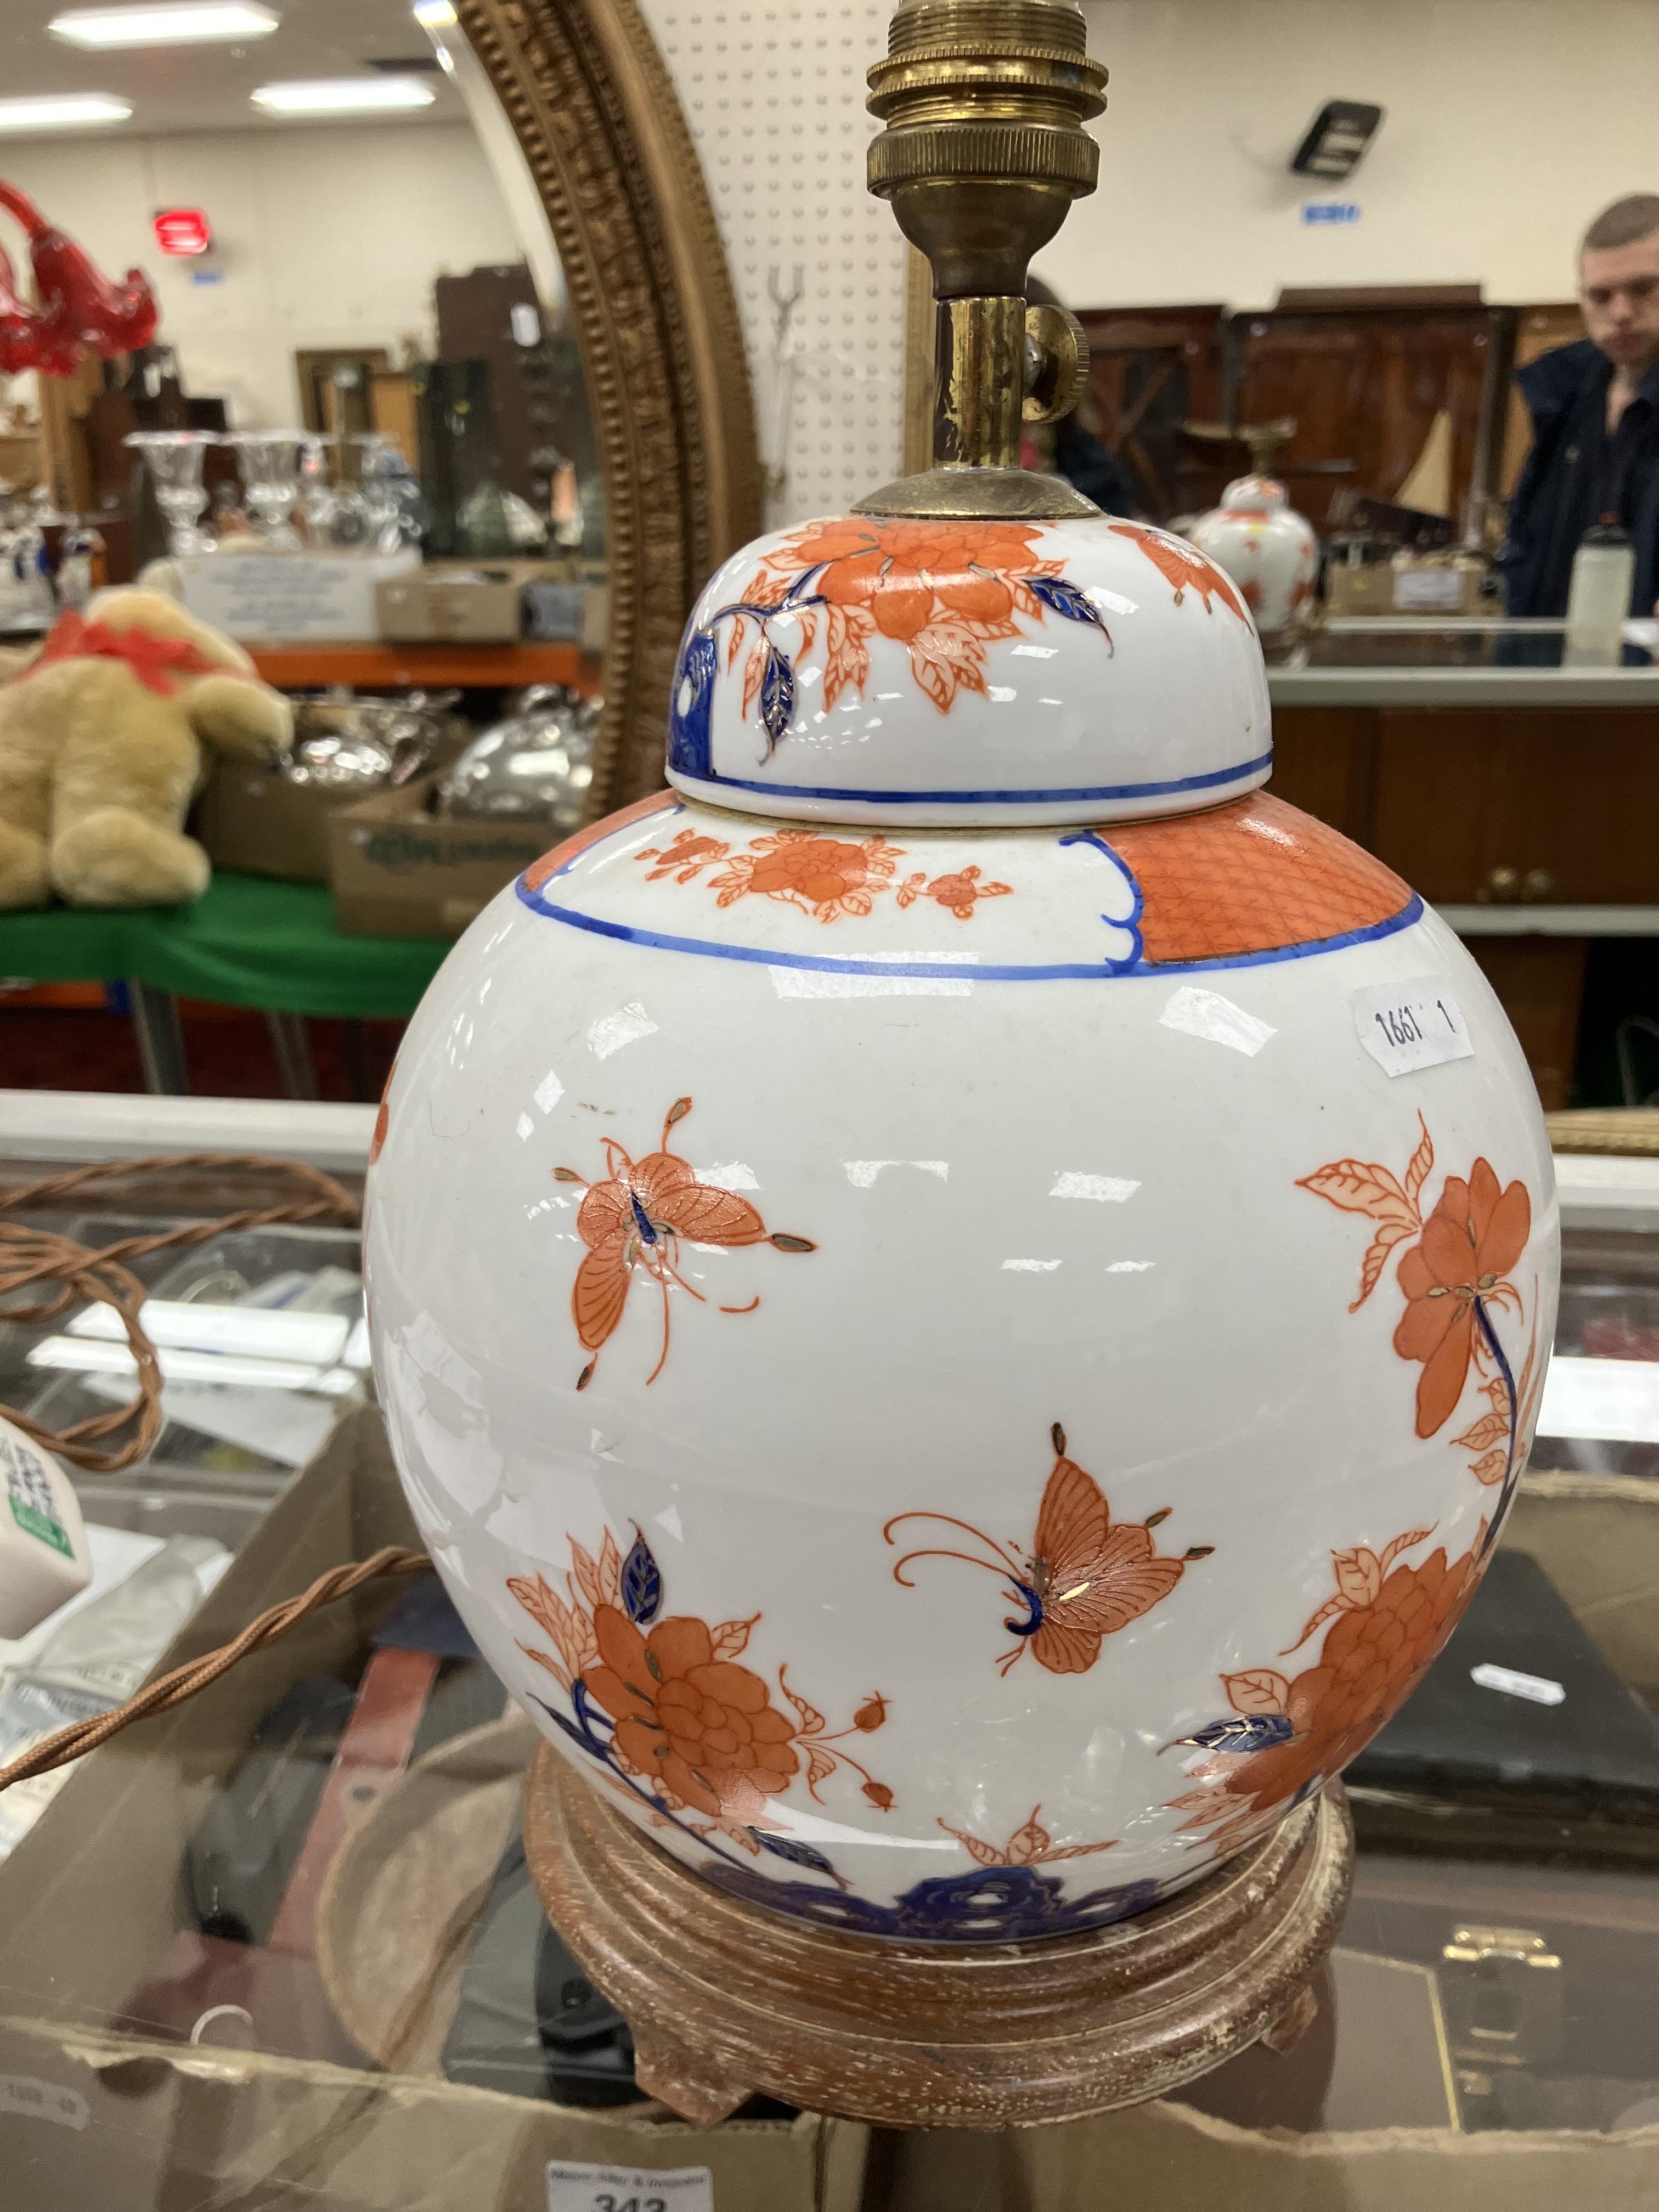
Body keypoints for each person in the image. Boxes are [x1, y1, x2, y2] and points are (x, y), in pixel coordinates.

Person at [1500, 193, 1659, 619]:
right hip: (1548, 674)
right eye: (1601, 296)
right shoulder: (1562, 397)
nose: (1621, 312)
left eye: (1644, 288)